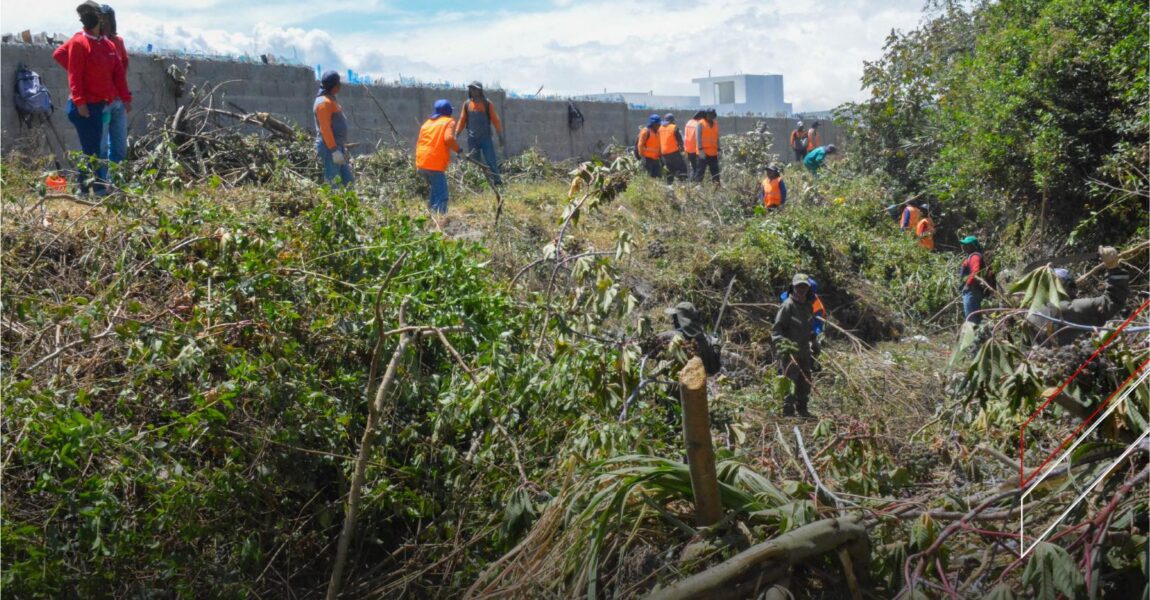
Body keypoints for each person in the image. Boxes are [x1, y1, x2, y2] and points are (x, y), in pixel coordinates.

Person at [53, 0, 130, 195]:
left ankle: (94, 188)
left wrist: (124, 97)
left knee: (95, 150)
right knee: (94, 151)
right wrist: (80, 101)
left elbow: (119, 74)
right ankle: (90, 190)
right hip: (87, 106)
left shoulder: (108, 44)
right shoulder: (80, 42)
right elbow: (75, 75)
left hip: (101, 104)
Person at [1027, 248, 1129, 346]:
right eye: (1072, 287)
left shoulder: (1030, 317)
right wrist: (1114, 268)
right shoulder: (1071, 308)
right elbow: (1112, 301)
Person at [773, 273, 819, 418]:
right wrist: (784, 348)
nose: (801, 290)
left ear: (808, 289)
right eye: (798, 287)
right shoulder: (787, 306)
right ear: (793, 287)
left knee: (805, 379)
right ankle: (788, 412)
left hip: (804, 350)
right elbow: (776, 330)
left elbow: (810, 328)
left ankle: (803, 409)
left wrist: (815, 342)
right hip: (790, 352)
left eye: (804, 287)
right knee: (791, 380)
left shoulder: (808, 306)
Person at [416, 99, 462, 219]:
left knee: (435, 191)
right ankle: (441, 221)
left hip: (421, 163)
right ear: (448, 111)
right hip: (434, 164)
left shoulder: (426, 123)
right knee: (442, 195)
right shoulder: (448, 121)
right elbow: (448, 139)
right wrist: (458, 150)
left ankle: (430, 217)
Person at [455, 82, 504, 186]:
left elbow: (496, 120)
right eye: (471, 89)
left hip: (485, 138)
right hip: (472, 139)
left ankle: (498, 182)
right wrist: (456, 134)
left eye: (475, 89)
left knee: (491, 160)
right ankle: (478, 183)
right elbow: (462, 120)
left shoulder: (487, 103)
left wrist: (500, 135)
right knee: (475, 162)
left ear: (480, 90)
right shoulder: (467, 104)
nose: (473, 91)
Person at [98, 4, 128, 168]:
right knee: (101, 147)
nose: (105, 24)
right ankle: (101, 184)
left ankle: (117, 182)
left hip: (118, 102)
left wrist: (124, 96)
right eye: (101, 20)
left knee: (119, 146)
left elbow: (123, 69)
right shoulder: (93, 43)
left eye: (107, 20)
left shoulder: (118, 42)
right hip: (102, 103)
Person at [313, 70, 353, 188]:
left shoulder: (330, 99)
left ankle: (350, 205)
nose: (340, 86)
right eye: (338, 83)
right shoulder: (323, 103)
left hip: (337, 147)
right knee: (332, 184)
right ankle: (330, 205)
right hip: (329, 148)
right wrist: (334, 150)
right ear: (333, 86)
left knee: (348, 182)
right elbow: (325, 129)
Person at [959, 236, 988, 324]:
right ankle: (979, 335)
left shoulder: (975, 256)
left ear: (972, 246)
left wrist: (967, 285)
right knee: (974, 319)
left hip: (972, 291)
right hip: (971, 291)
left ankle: (976, 336)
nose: (964, 247)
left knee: (972, 320)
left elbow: (975, 272)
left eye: (966, 245)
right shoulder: (971, 257)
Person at [693, 108, 720, 184]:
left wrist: (719, 149)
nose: (710, 116)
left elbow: (717, 137)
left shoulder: (715, 124)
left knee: (715, 172)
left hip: (713, 152)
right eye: (709, 114)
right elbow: (698, 137)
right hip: (703, 152)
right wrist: (700, 149)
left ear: (714, 116)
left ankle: (717, 186)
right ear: (706, 115)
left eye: (712, 115)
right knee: (700, 171)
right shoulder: (700, 123)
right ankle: (697, 186)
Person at [659, 113, 687, 181]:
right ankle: (683, 182)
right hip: (674, 153)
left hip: (664, 154)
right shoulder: (674, 127)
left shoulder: (660, 128)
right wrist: (682, 151)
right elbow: (680, 141)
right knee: (682, 168)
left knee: (669, 170)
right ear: (672, 120)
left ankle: (669, 185)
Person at [683, 110, 704, 177]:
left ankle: (692, 184)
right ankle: (695, 184)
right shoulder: (698, 124)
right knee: (698, 169)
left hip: (688, 149)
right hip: (695, 150)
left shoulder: (689, 122)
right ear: (701, 117)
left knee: (694, 168)